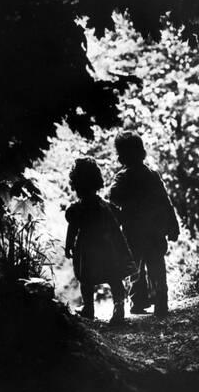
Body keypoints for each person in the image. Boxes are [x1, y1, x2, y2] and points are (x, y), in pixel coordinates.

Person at [109, 131, 179, 317]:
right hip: (155, 229)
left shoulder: (122, 177)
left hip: (133, 231)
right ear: (141, 152)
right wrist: (173, 226)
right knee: (157, 265)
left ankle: (138, 302)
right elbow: (166, 202)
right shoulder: (152, 175)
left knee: (135, 269)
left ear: (121, 155)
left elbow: (113, 196)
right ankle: (161, 302)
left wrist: (124, 207)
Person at [65, 157, 135, 324]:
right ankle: (119, 307)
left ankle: (89, 308)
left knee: (86, 281)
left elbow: (72, 228)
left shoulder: (76, 209)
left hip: (87, 251)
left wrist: (68, 246)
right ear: (97, 180)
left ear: (75, 184)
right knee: (114, 278)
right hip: (107, 248)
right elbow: (117, 223)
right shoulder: (105, 206)